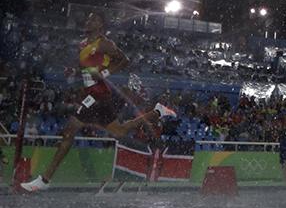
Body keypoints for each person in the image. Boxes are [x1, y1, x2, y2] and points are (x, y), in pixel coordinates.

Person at [21, 12, 176, 192]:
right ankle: (157, 112)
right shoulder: (82, 45)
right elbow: (87, 70)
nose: (88, 21)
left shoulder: (104, 43)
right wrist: (73, 72)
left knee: (69, 130)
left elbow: (124, 60)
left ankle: (45, 180)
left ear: (101, 24)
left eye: (93, 19)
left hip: (99, 94)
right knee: (121, 130)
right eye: (87, 18)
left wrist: (105, 73)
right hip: (94, 95)